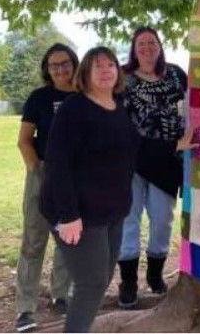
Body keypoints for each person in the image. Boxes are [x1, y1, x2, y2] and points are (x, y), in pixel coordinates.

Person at [40, 47, 140, 333]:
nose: (107, 70)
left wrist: (176, 146)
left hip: (112, 211)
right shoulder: (74, 108)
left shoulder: (118, 105)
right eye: (98, 66)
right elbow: (57, 164)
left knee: (102, 277)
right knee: (91, 282)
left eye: (111, 64)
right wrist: (68, 215)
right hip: (78, 212)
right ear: (86, 73)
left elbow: (135, 148)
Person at [117, 27, 191, 308]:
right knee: (129, 221)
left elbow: (192, 107)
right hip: (132, 160)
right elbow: (118, 122)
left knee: (162, 220)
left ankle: (155, 275)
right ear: (134, 49)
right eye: (141, 43)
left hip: (167, 161)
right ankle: (128, 282)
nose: (147, 48)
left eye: (152, 42)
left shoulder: (175, 74)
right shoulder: (123, 79)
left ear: (160, 46)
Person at [15, 43, 78, 333]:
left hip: (76, 178)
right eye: (54, 65)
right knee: (34, 239)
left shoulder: (85, 96)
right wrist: (36, 170)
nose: (60, 69)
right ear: (47, 69)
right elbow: (24, 140)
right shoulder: (39, 98)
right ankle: (25, 308)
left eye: (65, 63)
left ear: (74, 64)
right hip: (43, 174)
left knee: (68, 238)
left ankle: (61, 295)